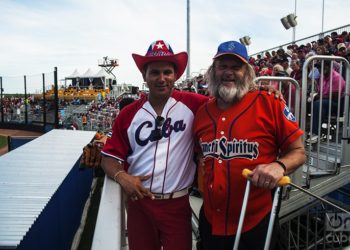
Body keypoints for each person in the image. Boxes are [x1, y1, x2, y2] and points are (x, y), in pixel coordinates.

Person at [193, 40, 306, 250]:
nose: (229, 72)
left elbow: (299, 152)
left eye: (236, 67)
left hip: (255, 221)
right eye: (222, 66)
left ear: (247, 73)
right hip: (211, 221)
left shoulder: (270, 102)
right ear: (212, 71)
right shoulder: (201, 112)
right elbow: (200, 156)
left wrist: (278, 166)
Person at [100, 40, 209, 250]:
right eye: (155, 72)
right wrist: (123, 177)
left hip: (177, 203)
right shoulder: (128, 114)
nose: (162, 78)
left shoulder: (195, 104)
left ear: (175, 76)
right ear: (144, 76)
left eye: (167, 72)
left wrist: (263, 92)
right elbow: (108, 158)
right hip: (140, 203)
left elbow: (228, 101)